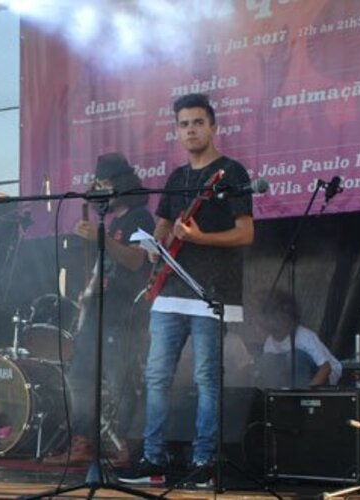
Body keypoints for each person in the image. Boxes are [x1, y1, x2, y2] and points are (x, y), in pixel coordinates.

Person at [119, 93, 255, 487]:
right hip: (169, 289)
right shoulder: (177, 177)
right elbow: (163, 224)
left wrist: (200, 238)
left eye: (197, 122)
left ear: (213, 127)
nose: (191, 130)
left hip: (212, 293)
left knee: (206, 379)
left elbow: (246, 233)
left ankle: (204, 461)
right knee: (156, 375)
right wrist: (154, 246)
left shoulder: (231, 172)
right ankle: (153, 459)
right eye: (184, 124)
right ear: (177, 131)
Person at [43, 152, 154, 467]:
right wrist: (88, 291)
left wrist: (101, 236)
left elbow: (137, 260)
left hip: (124, 315)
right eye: (98, 184)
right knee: (80, 376)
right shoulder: (112, 220)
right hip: (98, 311)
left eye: (105, 183)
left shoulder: (140, 218)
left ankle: (129, 445)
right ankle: (83, 440)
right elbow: (104, 267)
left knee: (121, 381)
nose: (100, 189)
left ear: (121, 184)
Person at [254, 290, 341, 389]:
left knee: (295, 357)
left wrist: (306, 393)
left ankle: (298, 393)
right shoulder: (269, 342)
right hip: (294, 381)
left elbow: (326, 369)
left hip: (323, 378)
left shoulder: (304, 336)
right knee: (267, 359)